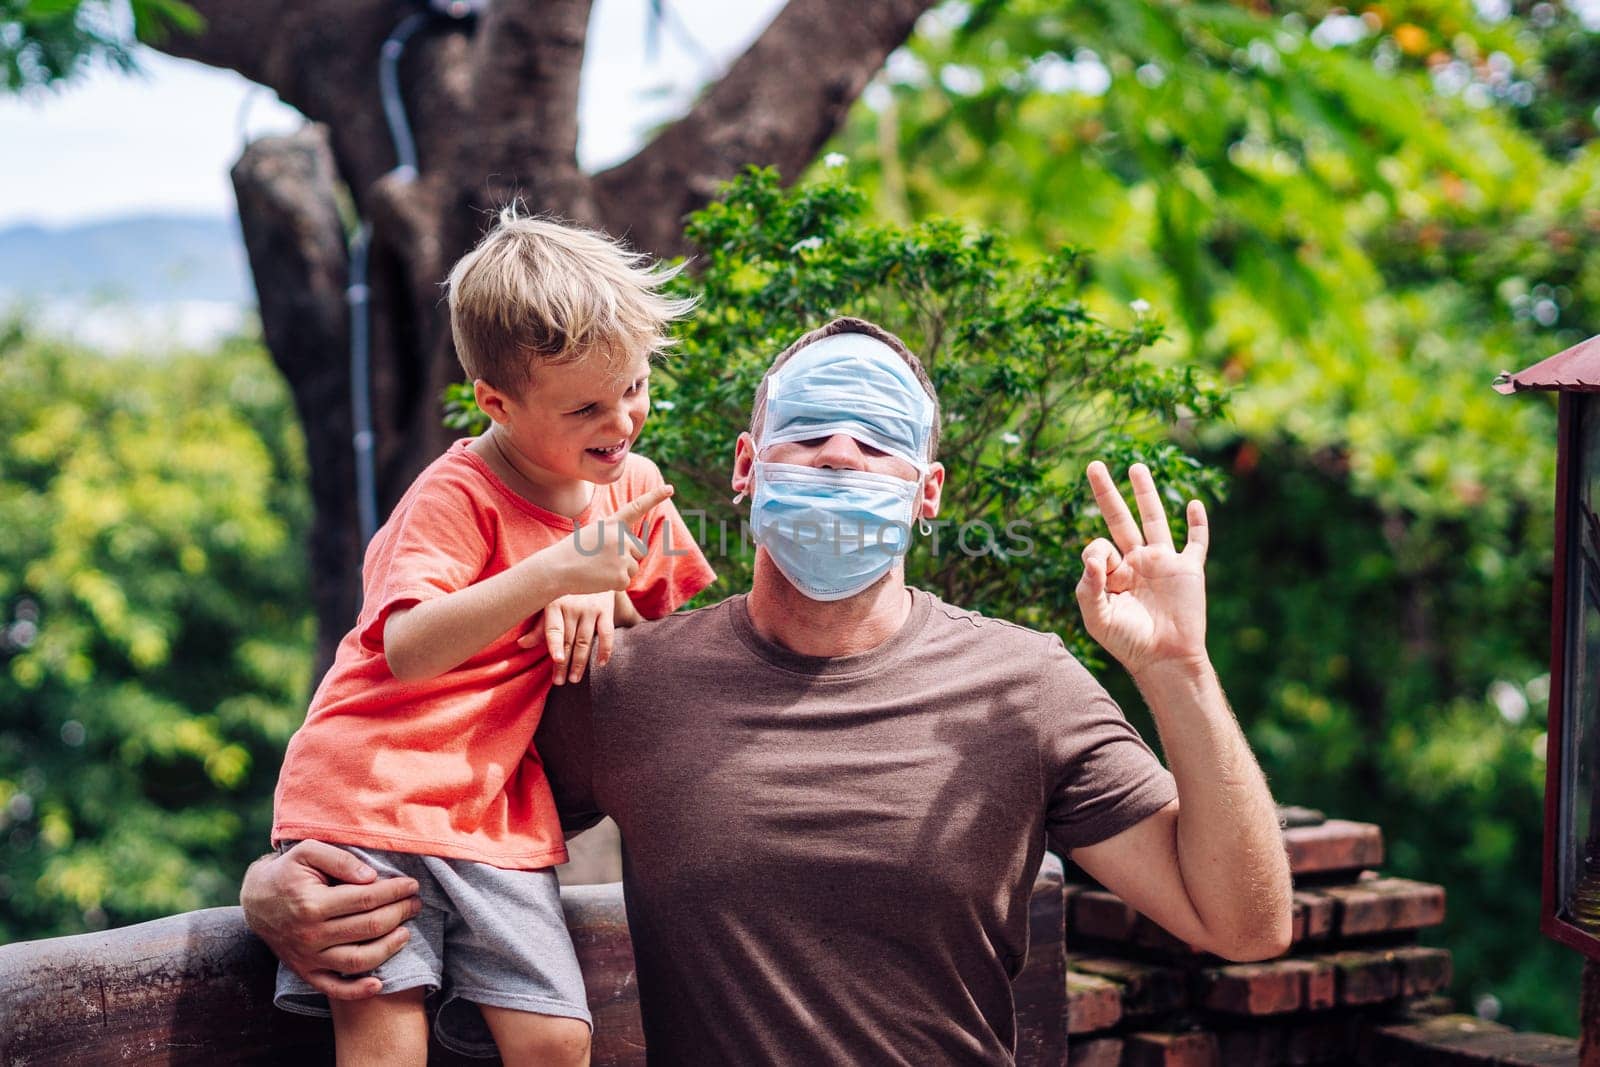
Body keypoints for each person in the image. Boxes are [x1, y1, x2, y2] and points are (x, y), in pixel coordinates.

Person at [247, 318, 1293, 1065]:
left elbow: (1243, 924)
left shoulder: (1026, 684)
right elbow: (413, 790)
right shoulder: (627, 683)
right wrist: (277, 885)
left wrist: (1177, 670)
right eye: (808, 431)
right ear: (747, 465)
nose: (840, 452)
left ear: (926, 490)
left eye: (876, 438)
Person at [267, 212, 717, 1066]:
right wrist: (552, 575)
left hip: (491, 810)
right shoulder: (456, 495)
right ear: (496, 403)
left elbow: (676, 637)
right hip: (369, 792)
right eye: (585, 405)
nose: (622, 420)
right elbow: (407, 645)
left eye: (634, 385)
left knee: (557, 1038)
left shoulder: (634, 487)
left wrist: (604, 598)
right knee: (384, 1034)